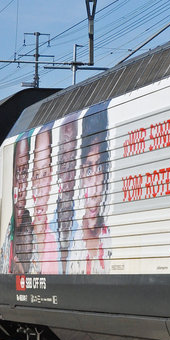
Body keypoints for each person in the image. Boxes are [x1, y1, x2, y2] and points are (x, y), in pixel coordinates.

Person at [68, 105, 110, 274]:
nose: (94, 190)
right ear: (81, 174)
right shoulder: (71, 241)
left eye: (99, 169)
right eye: (89, 171)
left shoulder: (110, 240)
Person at [30, 126, 59, 273]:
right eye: (36, 175)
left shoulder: (55, 241)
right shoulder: (20, 235)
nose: (40, 186)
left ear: (51, 177)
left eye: (45, 174)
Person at [52, 113, 80, 271]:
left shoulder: (83, 227)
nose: (68, 175)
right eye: (63, 163)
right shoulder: (48, 229)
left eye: (72, 161)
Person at [3, 135, 32, 274]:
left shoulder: (34, 231)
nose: (20, 187)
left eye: (24, 173)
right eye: (17, 173)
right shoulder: (6, 234)